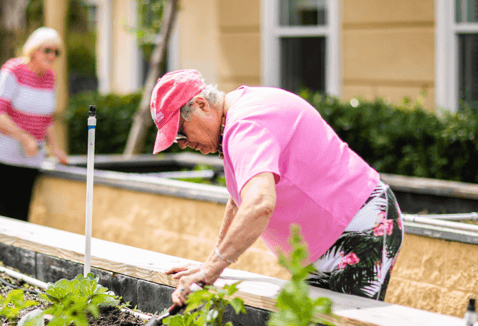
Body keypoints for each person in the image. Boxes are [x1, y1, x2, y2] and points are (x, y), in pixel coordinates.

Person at [149, 69, 404, 305]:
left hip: (360, 228)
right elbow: (239, 199)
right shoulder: (235, 117)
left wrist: (211, 269)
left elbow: (259, 204)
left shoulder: (245, 126)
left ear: (201, 105)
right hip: (327, 243)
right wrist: (211, 264)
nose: (182, 144)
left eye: (181, 133)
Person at [0, 27, 69, 221]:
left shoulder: (49, 77)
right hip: (2, 155)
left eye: (56, 52)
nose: (52, 55)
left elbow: (47, 119)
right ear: (34, 49)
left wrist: (55, 148)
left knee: (21, 216)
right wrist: (25, 137)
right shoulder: (13, 70)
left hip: (30, 158)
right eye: (47, 50)